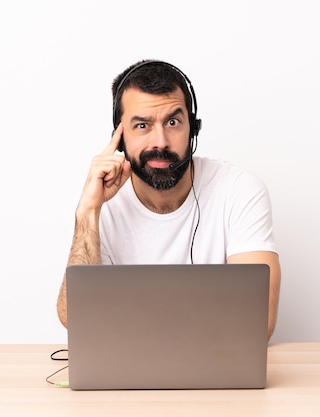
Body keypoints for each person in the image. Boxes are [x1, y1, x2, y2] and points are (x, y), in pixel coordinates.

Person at [56, 59, 281, 340]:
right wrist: (89, 212)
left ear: (193, 128)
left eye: (173, 122)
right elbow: (76, 319)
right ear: (119, 136)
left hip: (216, 367)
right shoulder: (95, 204)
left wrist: (126, 322)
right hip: (127, 373)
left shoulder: (239, 190)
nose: (160, 142)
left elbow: (258, 319)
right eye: (142, 126)